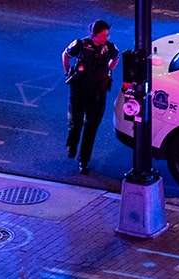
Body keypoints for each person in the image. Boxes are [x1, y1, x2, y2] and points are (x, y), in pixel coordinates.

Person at [62, 20, 119, 174]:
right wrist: (67, 72)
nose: (105, 38)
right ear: (94, 35)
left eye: (107, 35)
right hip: (80, 89)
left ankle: (84, 160)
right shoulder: (80, 45)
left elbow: (116, 58)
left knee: (92, 127)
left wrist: (108, 69)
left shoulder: (110, 47)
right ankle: (72, 145)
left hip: (98, 91)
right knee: (76, 122)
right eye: (102, 35)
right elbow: (65, 55)